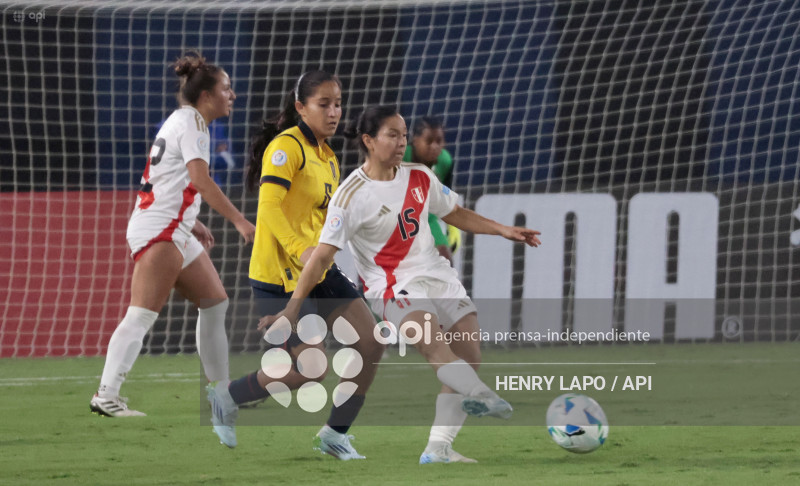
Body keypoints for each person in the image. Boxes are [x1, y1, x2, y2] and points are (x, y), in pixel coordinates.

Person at [260, 105, 542, 464]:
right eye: (392, 135)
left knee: (469, 355)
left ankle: (438, 448)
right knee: (436, 350)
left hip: (438, 276)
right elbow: (318, 258)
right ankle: (482, 395)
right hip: (393, 287)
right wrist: (292, 308)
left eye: (404, 135)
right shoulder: (350, 196)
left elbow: (453, 212)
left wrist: (504, 230)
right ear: (368, 140)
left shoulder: (420, 176)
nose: (400, 142)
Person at [207, 71, 383, 456]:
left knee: (371, 341)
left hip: (317, 268)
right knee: (311, 370)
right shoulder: (286, 148)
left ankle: (334, 435)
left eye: (337, 103)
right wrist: (301, 251)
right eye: (324, 104)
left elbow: (325, 222)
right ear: (301, 107)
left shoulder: (330, 158)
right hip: (279, 273)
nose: (334, 112)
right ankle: (228, 396)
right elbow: (269, 209)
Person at [90, 53, 256, 417]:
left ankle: (219, 394)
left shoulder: (183, 120)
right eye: (226, 89)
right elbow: (199, 179)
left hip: (171, 224)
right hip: (161, 228)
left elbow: (169, 178)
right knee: (141, 314)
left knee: (215, 302)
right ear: (207, 96)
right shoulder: (194, 123)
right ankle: (106, 395)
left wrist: (190, 216)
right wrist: (240, 221)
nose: (233, 95)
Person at [402, 116, 460, 262]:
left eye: (439, 141)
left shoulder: (445, 161)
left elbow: (446, 196)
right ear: (415, 140)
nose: (434, 147)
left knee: (445, 263)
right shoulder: (400, 157)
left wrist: (453, 227)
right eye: (429, 141)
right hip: (396, 218)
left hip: (427, 218)